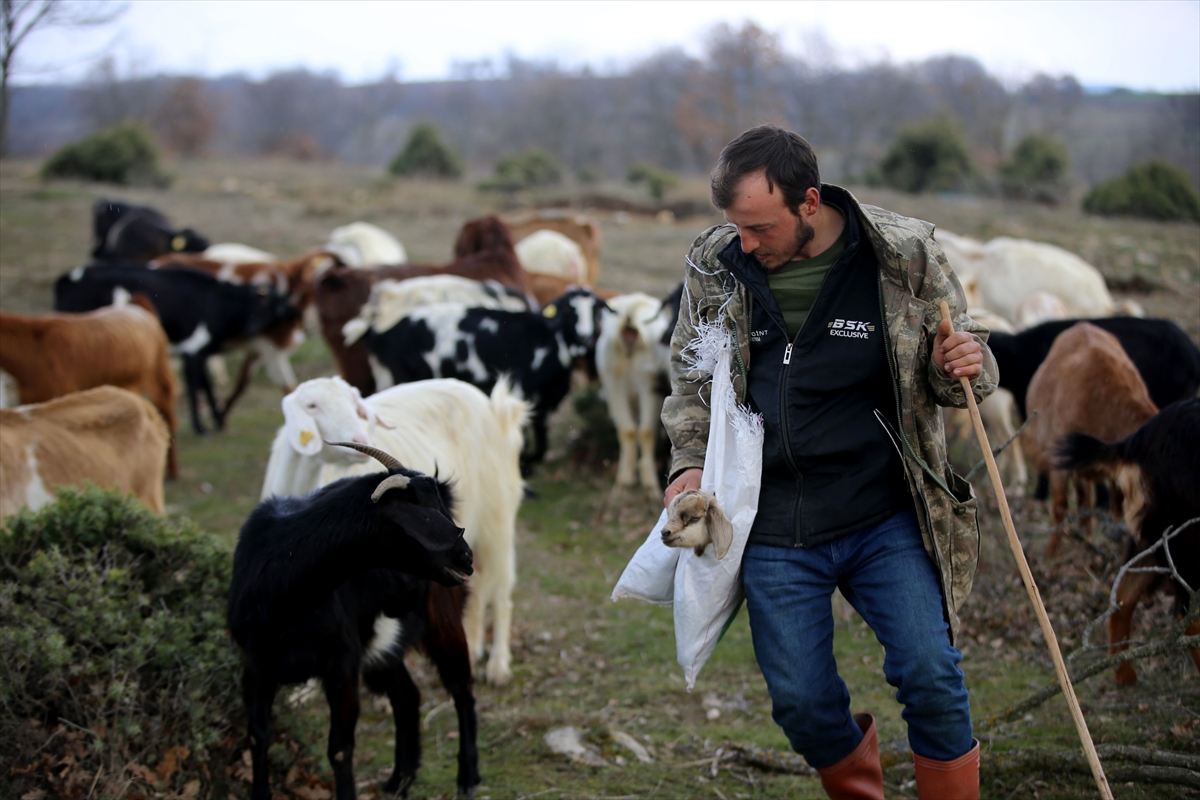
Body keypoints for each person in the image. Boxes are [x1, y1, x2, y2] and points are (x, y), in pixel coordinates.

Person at [661, 125, 997, 800]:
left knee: (931, 673)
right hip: (774, 522)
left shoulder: (902, 255)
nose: (746, 243)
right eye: (736, 227)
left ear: (809, 202)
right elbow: (693, 380)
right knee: (803, 705)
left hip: (882, 514)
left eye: (760, 227)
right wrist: (687, 468)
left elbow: (964, 366)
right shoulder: (716, 262)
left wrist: (965, 363)